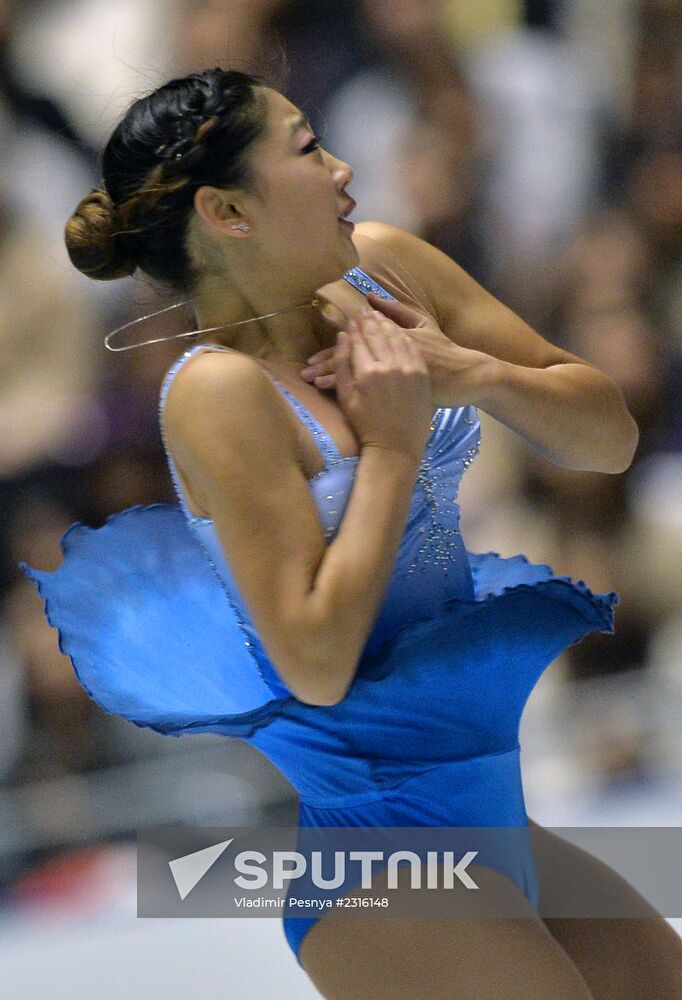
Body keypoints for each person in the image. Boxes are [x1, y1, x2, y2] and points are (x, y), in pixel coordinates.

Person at [19, 67, 682, 999]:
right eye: (305, 149)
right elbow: (316, 659)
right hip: (378, 867)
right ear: (228, 211)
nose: (340, 168)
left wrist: (476, 376)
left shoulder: (388, 265)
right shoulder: (218, 393)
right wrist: (394, 449)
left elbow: (609, 438)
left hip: (496, 822)